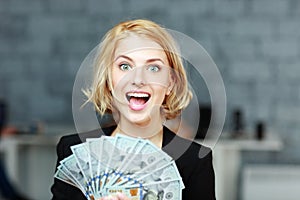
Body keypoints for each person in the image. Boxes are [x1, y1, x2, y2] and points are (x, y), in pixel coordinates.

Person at [51, 19, 215, 200]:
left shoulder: (195, 161)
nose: (138, 79)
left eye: (153, 68)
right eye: (125, 66)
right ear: (108, 80)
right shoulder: (73, 152)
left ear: (170, 83)